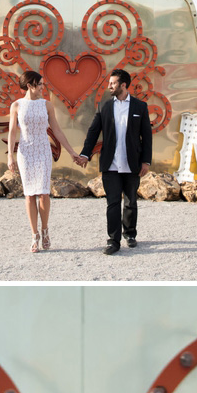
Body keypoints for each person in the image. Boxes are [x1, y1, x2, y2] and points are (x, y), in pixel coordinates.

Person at [6, 68, 82, 253]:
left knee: (44, 193)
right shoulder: (16, 105)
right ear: (31, 85)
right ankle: (34, 235)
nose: (42, 88)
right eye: (39, 85)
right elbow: (12, 132)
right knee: (29, 194)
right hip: (25, 152)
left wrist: (72, 151)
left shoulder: (46, 105)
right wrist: (10, 155)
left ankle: (45, 230)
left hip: (42, 151)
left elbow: (56, 130)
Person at [78, 68, 152, 254]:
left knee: (130, 201)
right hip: (110, 163)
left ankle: (130, 233)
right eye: (109, 83)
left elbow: (147, 136)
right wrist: (86, 154)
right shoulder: (104, 107)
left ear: (123, 85)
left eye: (113, 83)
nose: (109, 86)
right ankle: (113, 241)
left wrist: (146, 161)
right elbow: (93, 132)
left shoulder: (140, 107)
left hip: (132, 162)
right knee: (112, 203)